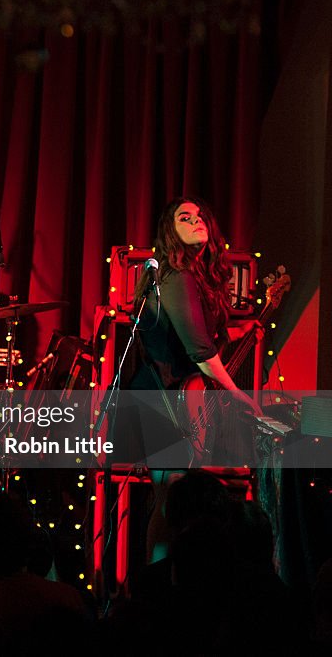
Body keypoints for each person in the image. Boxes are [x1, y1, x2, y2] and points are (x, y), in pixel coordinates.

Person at [126, 196, 261, 559]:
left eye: (201, 216)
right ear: (170, 231)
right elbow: (198, 349)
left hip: (177, 394)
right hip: (162, 393)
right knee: (172, 493)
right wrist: (236, 393)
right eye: (185, 217)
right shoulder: (175, 274)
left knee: (174, 495)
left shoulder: (191, 277)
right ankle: (162, 585)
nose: (196, 220)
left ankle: (170, 582)